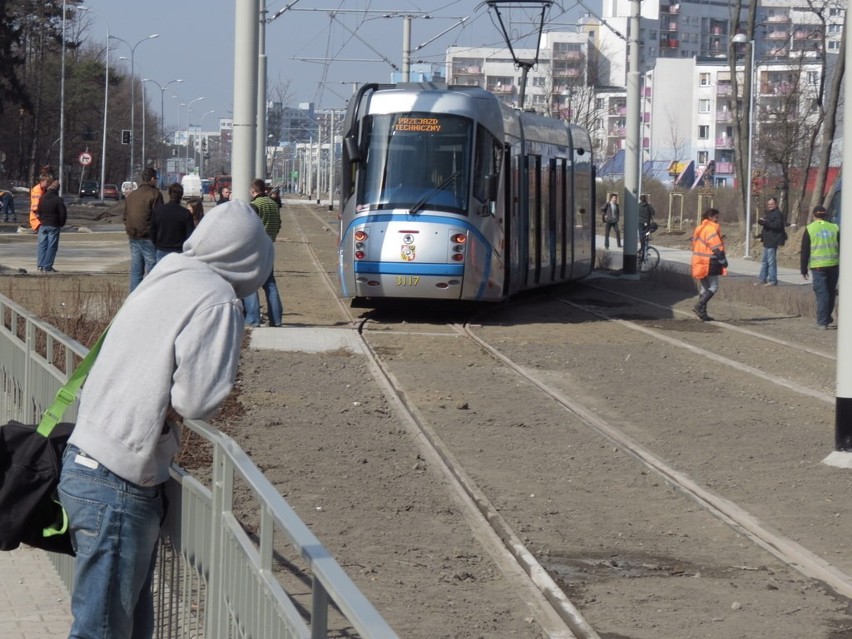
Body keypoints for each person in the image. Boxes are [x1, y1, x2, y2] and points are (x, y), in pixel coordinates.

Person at [58, 200, 274, 639]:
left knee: (120, 625)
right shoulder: (217, 299)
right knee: (100, 630)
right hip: (120, 480)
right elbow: (198, 399)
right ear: (252, 258)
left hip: (88, 458)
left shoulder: (168, 271)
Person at [242, 178, 283, 327]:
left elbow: (249, 227)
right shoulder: (274, 204)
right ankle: (276, 319)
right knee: (270, 284)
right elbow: (279, 224)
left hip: (255, 248)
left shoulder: (255, 205)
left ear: (253, 191)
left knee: (250, 283)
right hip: (269, 246)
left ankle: (253, 319)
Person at [124, 168, 164, 292]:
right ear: (152, 179)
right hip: (148, 237)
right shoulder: (155, 194)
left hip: (133, 236)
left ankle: (133, 300)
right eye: (155, 179)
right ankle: (152, 297)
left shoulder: (132, 195)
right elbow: (159, 216)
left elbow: (125, 216)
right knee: (153, 271)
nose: (156, 181)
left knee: (136, 272)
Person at [800, 205, 840, 330]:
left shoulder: (810, 229)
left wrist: (803, 269)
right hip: (834, 265)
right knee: (831, 292)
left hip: (818, 267)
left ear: (813, 215)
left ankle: (822, 322)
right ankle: (827, 317)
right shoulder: (834, 227)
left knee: (822, 294)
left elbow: (805, 251)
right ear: (825, 215)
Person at [690, 208, 728, 321]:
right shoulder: (711, 229)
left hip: (699, 261)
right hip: (709, 261)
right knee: (714, 286)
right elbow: (716, 247)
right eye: (716, 217)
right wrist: (723, 260)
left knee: (705, 287)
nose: (718, 220)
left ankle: (702, 313)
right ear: (710, 217)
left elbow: (694, 244)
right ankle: (699, 305)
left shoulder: (699, 228)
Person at [150, 182, 194, 263]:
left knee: (162, 275)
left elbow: (152, 231)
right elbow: (190, 235)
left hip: (162, 249)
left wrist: (156, 243)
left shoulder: (158, 211)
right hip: (179, 251)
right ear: (181, 195)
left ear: (169, 194)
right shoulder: (186, 213)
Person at [35, 179, 67, 273]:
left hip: (43, 225)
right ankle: (47, 266)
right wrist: (61, 223)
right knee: (52, 246)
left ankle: (40, 266)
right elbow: (63, 214)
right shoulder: (58, 200)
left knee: (42, 246)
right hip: (53, 225)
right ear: (58, 189)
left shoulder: (42, 198)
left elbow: (38, 211)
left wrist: (42, 221)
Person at [756, 196, 786, 286]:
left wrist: (765, 223)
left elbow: (777, 226)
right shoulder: (768, 213)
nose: (770, 206)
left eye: (772, 204)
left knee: (771, 261)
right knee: (764, 261)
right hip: (767, 240)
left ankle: (772, 280)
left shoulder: (777, 214)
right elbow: (767, 223)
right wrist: (761, 221)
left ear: (776, 204)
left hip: (773, 241)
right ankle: (762, 279)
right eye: (769, 204)